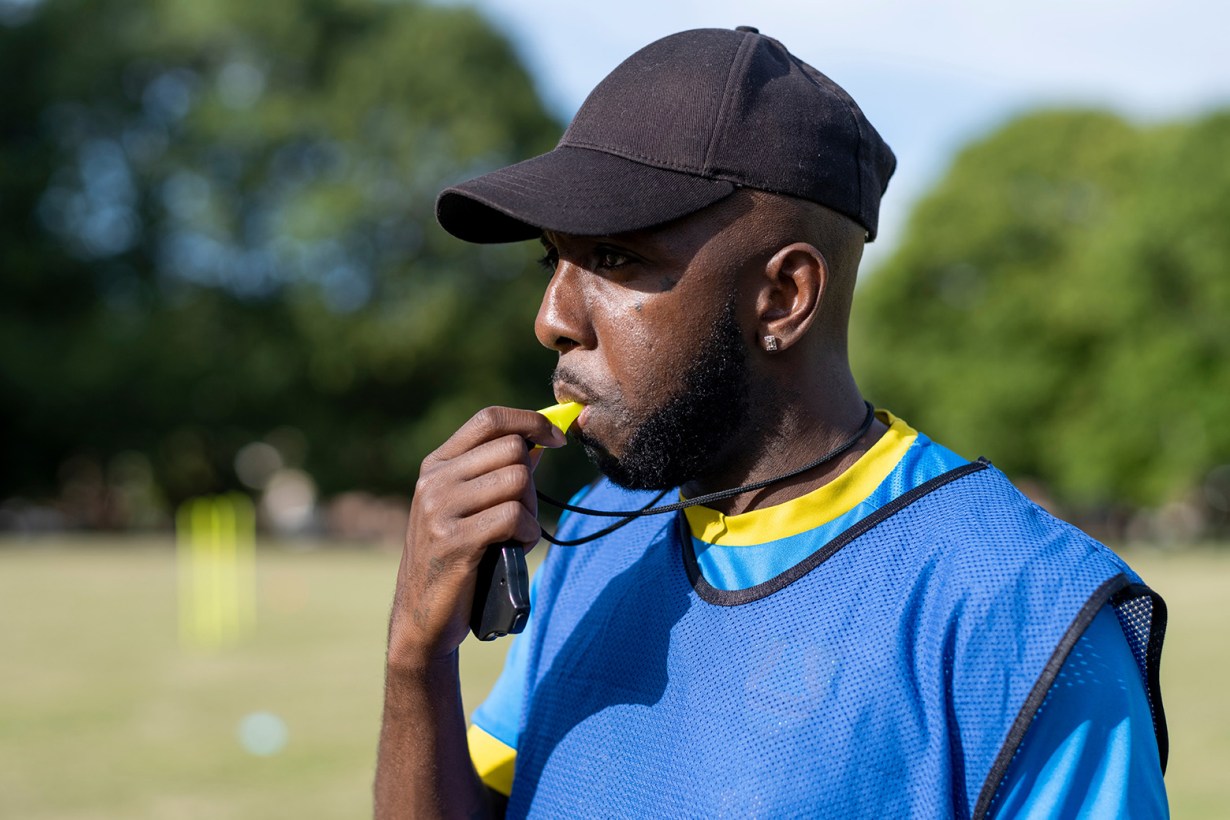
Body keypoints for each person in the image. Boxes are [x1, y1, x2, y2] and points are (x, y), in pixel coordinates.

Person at [374, 27, 1168, 818]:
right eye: (553, 262)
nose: (552, 319)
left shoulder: (1023, 609)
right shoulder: (597, 536)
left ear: (785, 296)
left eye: (614, 260)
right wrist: (417, 659)